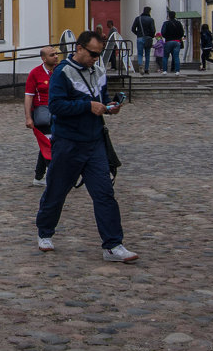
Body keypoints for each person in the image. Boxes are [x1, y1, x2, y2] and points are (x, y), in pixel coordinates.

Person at [35, 30, 138, 263]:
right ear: (79, 48)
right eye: (92, 53)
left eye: (98, 54)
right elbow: (57, 106)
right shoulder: (62, 73)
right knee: (56, 191)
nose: (95, 58)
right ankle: (45, 232)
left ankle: (113, 245)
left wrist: (110, 105)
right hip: (68, 143)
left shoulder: (99, 70)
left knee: (104, 194)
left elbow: (102, 97)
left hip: (94, 143)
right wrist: (87, 106)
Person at [23, 46, 59, 186]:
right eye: (52, 55)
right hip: (42, 114)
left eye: (56, 54)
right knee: (48, 144)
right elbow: (28, 96)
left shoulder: (59, 71)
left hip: (58, 112)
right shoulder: (35, 73)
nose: (56, 57)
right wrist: (28, 117)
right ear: (44, 59)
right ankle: (54, 176)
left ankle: (38, 177)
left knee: (46, 144)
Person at [130, 7, 156, 74]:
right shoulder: (151, 20)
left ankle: (140, 65)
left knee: (140, 54)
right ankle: (146, 69)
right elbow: (153, 30)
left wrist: (138, 34)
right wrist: (151, 36)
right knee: (147, 54)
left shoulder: (138, 19)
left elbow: (133, 28)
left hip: (140, 38)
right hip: (148, 38)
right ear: (149, 12)